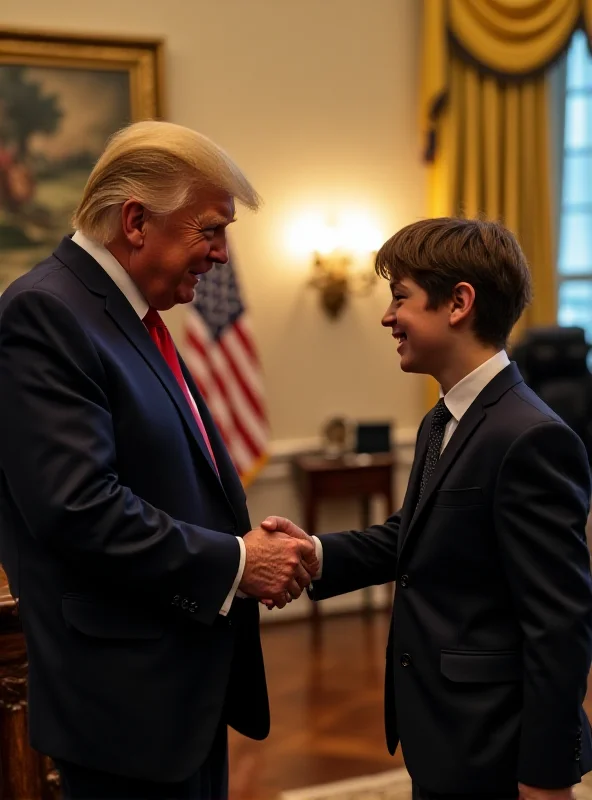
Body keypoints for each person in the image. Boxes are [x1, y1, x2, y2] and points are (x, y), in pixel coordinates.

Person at [0, 120, 316, 800]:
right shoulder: (46, 313)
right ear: (137, 221)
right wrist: (238, 561)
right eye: (210, 230)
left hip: (177, 689)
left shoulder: (122, 313)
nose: (223, 255)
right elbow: (78, 508)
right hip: (124, 707)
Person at [264, 218, 592, 800]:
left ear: (459, 303)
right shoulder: (441, 420)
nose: (388, 317)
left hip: (493, 743)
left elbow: (559, 628)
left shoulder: (530, 436)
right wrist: (312, 553)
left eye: (400, 298)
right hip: (441, 729)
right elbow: (409, 538)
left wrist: (546, 776)